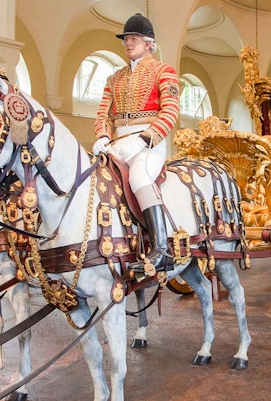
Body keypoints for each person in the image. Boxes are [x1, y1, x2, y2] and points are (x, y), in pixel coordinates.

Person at [93, 13, 180, 276]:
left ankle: (162, 249)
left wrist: (146, 137)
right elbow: (103, 114)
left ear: (148, 43)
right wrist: (101, 136)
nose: (128, 43)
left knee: (140, 177)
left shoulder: (164, 71)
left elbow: (171, 111)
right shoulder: (114, 78)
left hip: (148, 142)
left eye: (134, 38)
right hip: (118, 142)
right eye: (126, 39)